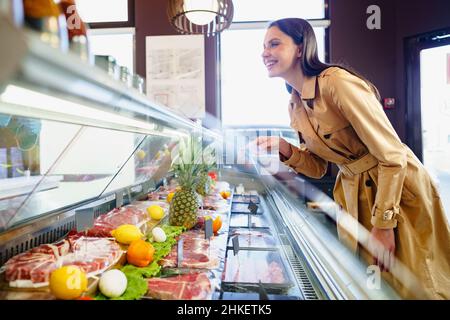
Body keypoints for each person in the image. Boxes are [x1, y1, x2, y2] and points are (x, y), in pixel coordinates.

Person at [256, 18, 450, 299]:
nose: (265, 52)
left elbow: (392, 155)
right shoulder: (295, 102)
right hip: (352, 193)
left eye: (274, 43)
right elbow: (319, 167)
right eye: (263, 46)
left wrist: (384, 224)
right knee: (371, 285)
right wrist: (286, 149)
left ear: (300, 48)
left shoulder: (336, 82)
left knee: (416, 282)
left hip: (395, 191)